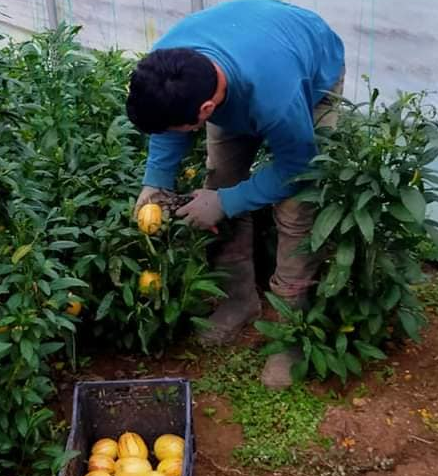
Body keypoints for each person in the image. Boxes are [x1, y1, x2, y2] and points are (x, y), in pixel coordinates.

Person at [125, 0, 345, 389]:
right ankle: (240, 299)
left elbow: (299, 167)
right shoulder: (168, 66)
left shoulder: (274, 94)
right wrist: (156, 182)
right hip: (248, 58)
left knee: (297, 209)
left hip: (311, 71)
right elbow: (167, 127)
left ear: (206, 109)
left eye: (184, 127)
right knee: (221, 177)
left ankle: (289, 333)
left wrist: (225, 203)